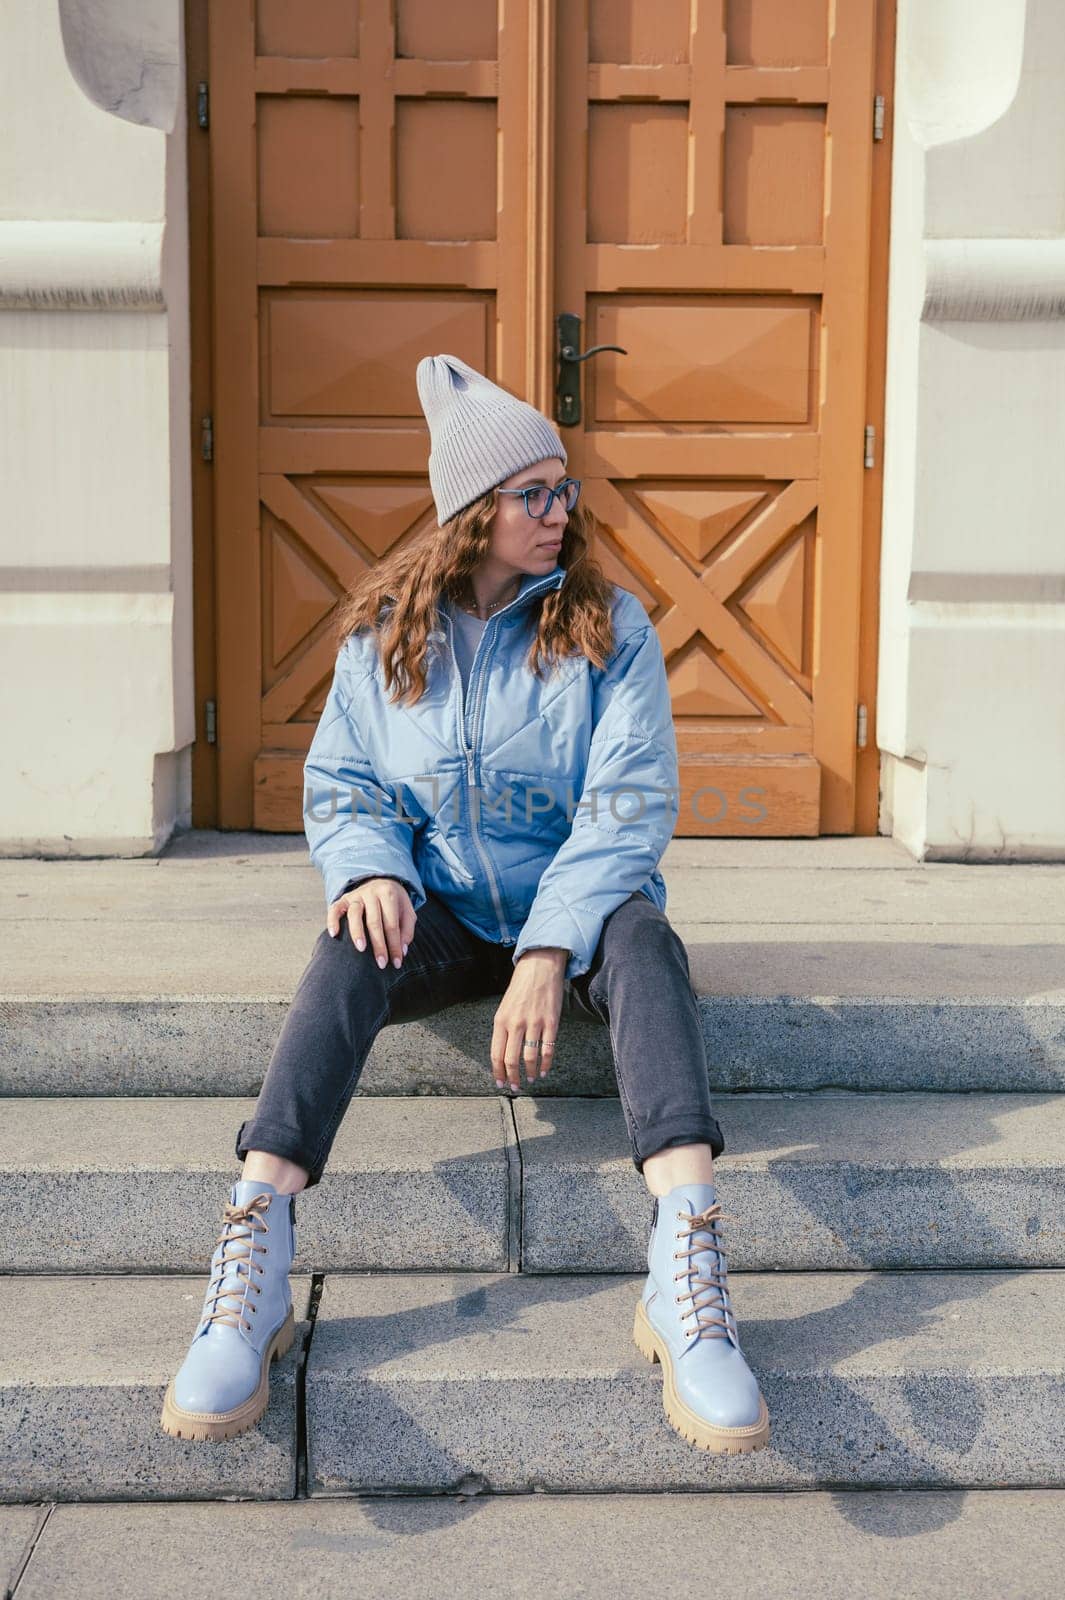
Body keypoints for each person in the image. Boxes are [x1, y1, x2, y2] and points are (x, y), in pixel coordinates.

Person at [160, 354, 769, 1457]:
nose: (559, 511)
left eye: (564, 488)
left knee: (643, 940)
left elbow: (627, 807)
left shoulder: (607, 627)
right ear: (471, 512)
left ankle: (687, 1270)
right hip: (437, 910)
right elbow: (345, 784)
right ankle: (253, 1256)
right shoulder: (386, 630)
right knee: (345, 942)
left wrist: (547, 947)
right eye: (532, 493)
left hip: (572, 917)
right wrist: (371, 868)